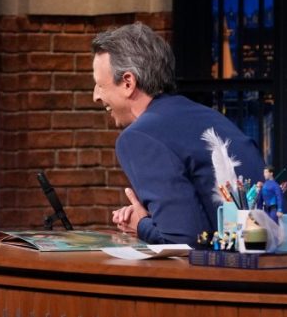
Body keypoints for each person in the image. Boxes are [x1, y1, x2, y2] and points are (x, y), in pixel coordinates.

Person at [92, 23, 265, 245]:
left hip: (231, 265)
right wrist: (152, 217)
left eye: (100, 85)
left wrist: (140, 224)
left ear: (128, 82)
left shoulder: (139, 137)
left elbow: (182, 240)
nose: (96, 96)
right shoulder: (207, 116)